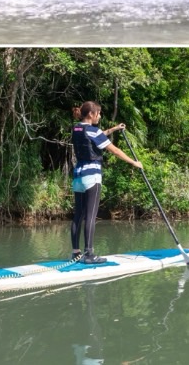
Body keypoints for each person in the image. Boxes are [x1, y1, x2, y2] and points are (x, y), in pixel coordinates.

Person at [70, 101, 143, 264]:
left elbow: (96, 135)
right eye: (99, 113)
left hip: (78, 177)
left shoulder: (77, 128)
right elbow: (115, 150)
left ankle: (76, 253)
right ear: (91, 114)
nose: (100, 115)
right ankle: (89, 254)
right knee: (90, 216)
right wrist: (133, 162)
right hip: (92, 177)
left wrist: (114, 129)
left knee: (78, 215)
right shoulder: (93, 131)